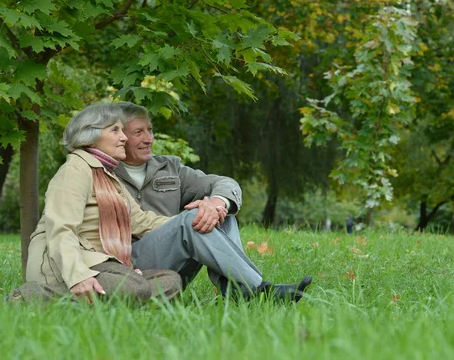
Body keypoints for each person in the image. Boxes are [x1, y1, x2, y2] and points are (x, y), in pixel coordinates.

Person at [114, 101, 312, 302]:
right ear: (119, 136)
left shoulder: (169, 167)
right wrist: (191, 219)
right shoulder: (104, 171)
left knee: (220, 215)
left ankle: (235, 289)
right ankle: (260, 289)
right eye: (138, 132)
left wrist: (218, 204)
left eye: (150, 130)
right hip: (131, 265)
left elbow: (225, 183)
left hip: (175, 264)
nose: (149, 139)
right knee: (195, 218)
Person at [9, 103, 182, 303]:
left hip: (107, 263)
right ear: (90, 137)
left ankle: (103, 305)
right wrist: (77, 276)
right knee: (134, 287)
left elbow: (140, 221)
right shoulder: (75, 170)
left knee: (170, 280)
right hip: (74, 265)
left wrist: (187, 220)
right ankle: (26, 298)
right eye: (115, 130)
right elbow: (61, 228)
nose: (124, 137)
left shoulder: (106, 174)